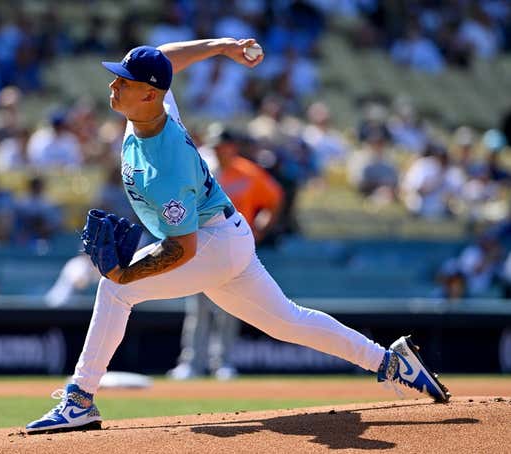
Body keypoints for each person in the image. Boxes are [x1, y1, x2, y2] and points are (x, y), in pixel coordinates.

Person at [26, 38, 450, 435]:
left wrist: (126, 275)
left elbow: (183, 249)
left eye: (124, 80)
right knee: (288, 321)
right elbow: (163, 58)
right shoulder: (157, 109)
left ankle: (79, 399)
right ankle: (392, 362)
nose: (113, 85)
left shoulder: (165, 167)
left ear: (149, 94)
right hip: (226, 235)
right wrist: (221, 46)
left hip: (209, 243)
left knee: (114, 291)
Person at [167, 125, 285, 380]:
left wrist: (262, 226)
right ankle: (191, 363)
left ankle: (223, 362)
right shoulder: (201, 167)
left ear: (233, 147)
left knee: (230, 308)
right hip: (201, 245)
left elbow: (274, 198)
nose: (220, 150)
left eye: (224, 145)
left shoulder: (248, 172)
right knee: (197, 307)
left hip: (234, 248)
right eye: (216, 145)